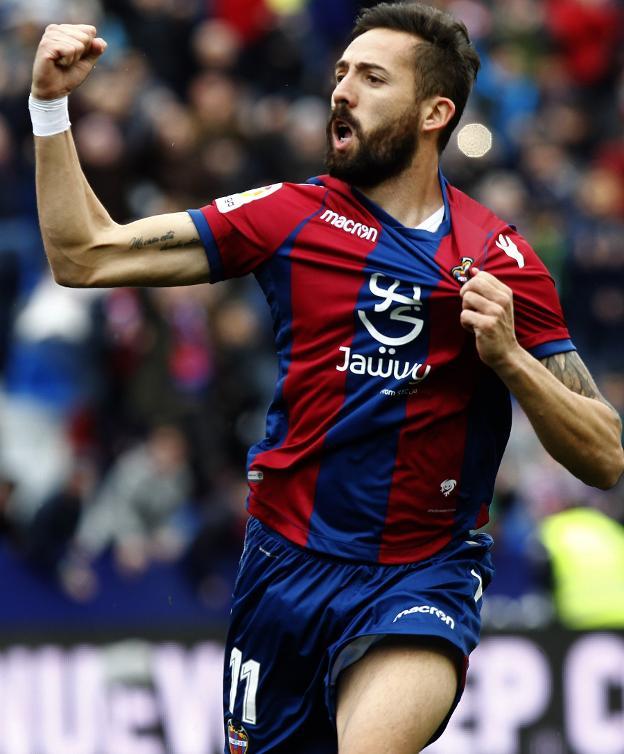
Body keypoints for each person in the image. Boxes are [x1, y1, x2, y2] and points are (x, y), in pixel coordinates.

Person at [29, 3, 624, 753]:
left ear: (436, 111)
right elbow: (86, 255)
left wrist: (509, 361)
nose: (342, 90)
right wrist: (49, 105)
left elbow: (605, 455)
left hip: (421, 578)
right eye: (340, 73)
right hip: (284, 568)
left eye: (372, 78)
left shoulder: (502, 259)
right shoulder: (289, 216)